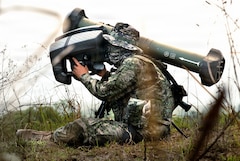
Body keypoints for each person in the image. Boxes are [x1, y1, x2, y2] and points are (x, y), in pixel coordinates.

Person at [17, 23, 175, 146]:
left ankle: (42, 140)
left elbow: (105, 92)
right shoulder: (139, 62)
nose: (110, 49)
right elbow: (122, 88)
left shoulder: (132, 64)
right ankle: (46, 136)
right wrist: (105, 75)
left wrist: (84, 76)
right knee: (85, 126)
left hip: (144, 132)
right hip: (150, 128)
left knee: (83, 126)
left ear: (121, 47)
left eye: (112, 45)